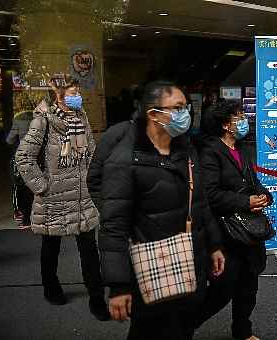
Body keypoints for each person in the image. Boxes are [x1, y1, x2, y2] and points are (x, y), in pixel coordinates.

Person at [97, 81, 224, 339]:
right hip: (151, 267)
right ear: (154, 113)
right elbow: (113, 227)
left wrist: (213, 245)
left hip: (189, 260)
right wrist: (119, 285)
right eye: (178, 108)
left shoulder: (185, 149)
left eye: (186, 107)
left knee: (184, 327)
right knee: (150, 331)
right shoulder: (124, 159)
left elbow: (199, 203)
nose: (185, 114)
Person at [15, 78, 109, 320]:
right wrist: (42, 186)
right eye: (73, 92)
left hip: (82, 195)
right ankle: (51, 287)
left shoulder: (82, 116)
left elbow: (90, 150)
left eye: (78, 91)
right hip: (53, 197)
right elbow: (23, 157)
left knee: (89, 249)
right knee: (51, 247)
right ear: (58, 95)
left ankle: (97, 298)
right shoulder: (43, 120)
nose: (78, 96)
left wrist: (94, 179)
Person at [196, 100, 273, 340]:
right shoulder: (210, 151)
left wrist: (264, 196)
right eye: (238, 116)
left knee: (249, 286)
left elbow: (252, 181)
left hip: (249, 230)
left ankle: (243, 332)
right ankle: (183, 327)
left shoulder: (244, 148)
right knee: (222, 289)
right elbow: (210, 194)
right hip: (225, 231)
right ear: (225, 124)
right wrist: (245, 202)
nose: (244, 120)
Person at [6, 110, 33, 226]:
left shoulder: (18, 120)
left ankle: (22, 217)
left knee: (18, 187)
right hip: (36, 157)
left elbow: (9, 140)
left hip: (21, 157)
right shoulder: (39, 120)